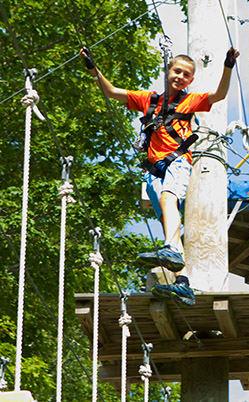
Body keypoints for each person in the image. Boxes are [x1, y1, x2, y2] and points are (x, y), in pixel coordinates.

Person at [79, 46, 239, 306]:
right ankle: (183, 283)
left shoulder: (190, 101)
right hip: (154, 170)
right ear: (168, 72)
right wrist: (92, 68)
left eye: (186, 75)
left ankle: (173, 251)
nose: (180, 77)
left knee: (168, 199)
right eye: (177, 71)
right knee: (169, 226)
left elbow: (219, 94)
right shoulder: (148, 100)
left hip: (178, 161)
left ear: (191, 80)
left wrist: (227, 66)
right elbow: (110, 92)